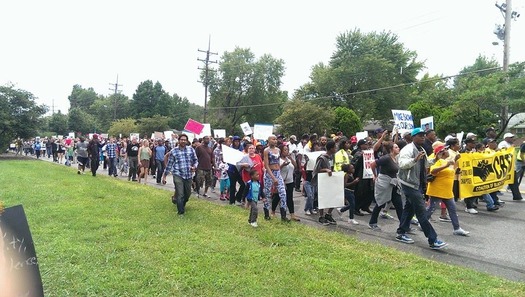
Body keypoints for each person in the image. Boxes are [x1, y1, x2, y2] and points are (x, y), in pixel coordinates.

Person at [395, 128, 448, 250]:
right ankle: (433, 240)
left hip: (416, 184)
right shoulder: (408, 149)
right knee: (421, 212)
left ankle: (401, 232)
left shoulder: (421, 149)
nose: (423, 137)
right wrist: (414, 160)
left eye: (424, 135)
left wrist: (436, 159)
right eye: (420, 135)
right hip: (408, 184)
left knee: (409, 209)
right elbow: (402, 164)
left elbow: (425, 163)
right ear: (413, 137)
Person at [426, 145, 470, 236]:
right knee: (431, 208)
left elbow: (448, 172)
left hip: (446, 191)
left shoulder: (448, 161)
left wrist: (455, 165)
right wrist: (446, 165)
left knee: (452, 209)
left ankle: (457, 228)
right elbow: (433, 171)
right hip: (437, 190)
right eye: (445, 149)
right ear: (441, 153)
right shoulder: (439, 161)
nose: (447, 150)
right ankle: (422, 222)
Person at [368, 142, 404, 230]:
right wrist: (375, 175)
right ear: (391, 149)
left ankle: (404, 226)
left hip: (393, 184)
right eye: (396, 147)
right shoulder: (386, 158)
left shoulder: (395, 158)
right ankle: (372, 222)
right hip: (385, 183)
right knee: (380, 203)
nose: (398, 148)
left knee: (399, 204)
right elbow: (372, 164)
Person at [162, 134, 198, 216]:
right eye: (181, 139)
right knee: (180, 193)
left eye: (185, 139)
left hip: (188, 175)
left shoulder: (191, 150)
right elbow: (169, 164)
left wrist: (194, 167)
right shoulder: (174, 151)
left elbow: (196, 160)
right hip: (178, 174)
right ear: (178, 141)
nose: (183, 141)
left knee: (187, 194)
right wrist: (164, 176)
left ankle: (181, 204)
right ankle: (181, 212)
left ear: (187, 141)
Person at [263, 135, 290, 222]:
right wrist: (273, 177)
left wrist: (279, 173)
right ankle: (267, 214)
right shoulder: (266, 151)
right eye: (273, 139)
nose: (275, 141)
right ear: (269, 140)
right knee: (267, 194)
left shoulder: (278, 150)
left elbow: (278, 162)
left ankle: (283, 215)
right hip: (269, 174)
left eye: (275, 139)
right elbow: (266, 165)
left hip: (277, 172)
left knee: (283, 193)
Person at [312, 140, 338, 225]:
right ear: (331, 148)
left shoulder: (332, 157)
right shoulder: (322, 158)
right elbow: (316, 170)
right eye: (334, 147)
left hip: (330, 180)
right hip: (322, 181)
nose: (336, 148)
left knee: (334, 197)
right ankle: (321, 216)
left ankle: (329, 214)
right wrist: (325, 170)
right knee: (323, 198)